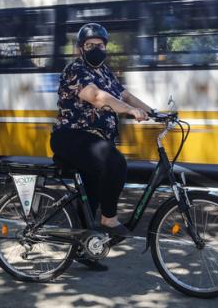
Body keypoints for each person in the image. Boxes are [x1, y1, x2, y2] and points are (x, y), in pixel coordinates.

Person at [50, 23, 153, 269]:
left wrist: (153, 111)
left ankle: (86, 250)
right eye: (90, 45)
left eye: (100, 45)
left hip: (94, 141)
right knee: (115, 162)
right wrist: (129, 111)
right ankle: (109, 221)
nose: (96, 49)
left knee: (93, 193)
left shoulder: (105, 71)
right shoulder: (75, 69)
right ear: (80, 49)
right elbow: (96, 97)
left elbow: (124, 95)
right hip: (71, 137)